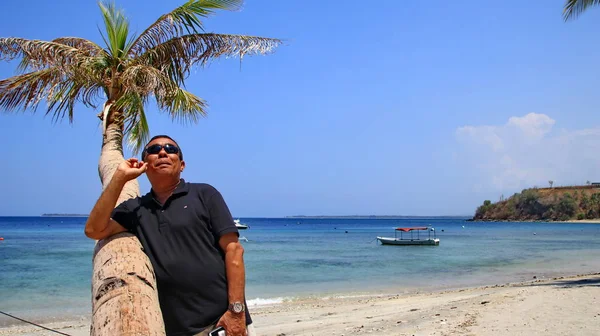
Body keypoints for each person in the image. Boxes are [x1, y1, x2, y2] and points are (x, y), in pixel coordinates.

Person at [84, 135, 254, 336]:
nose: (162, 152)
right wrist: (120, 177)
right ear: (145, 164)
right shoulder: (136, 208)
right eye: (154, 149)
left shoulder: (204, 194)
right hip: (173, 330)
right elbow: (94, 229)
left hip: (220, 323)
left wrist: (236, 312)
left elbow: (234, 250)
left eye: (170, 149)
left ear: (182, 165)